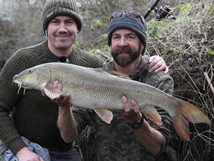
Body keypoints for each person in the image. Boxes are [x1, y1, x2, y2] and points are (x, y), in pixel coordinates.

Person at [0, 0, 168, 160]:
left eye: (69, 22)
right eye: (55, 22)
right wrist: (20, 150)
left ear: (78, 29)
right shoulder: (22, 59)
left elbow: (118, 71)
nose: (62, 28)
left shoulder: (92, 64)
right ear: (46, 28)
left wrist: (154, 61)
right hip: (24, 147)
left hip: (65, 150)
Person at [53, 10, 177, 161]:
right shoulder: (94, 77)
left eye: (130, 37)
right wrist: (64, 107)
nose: (122, 43)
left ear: (142, 44)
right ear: (110, 44)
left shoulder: (158, 77)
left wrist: (137, 122)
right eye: (116, 37)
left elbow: (158, 147)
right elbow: (68, 137)